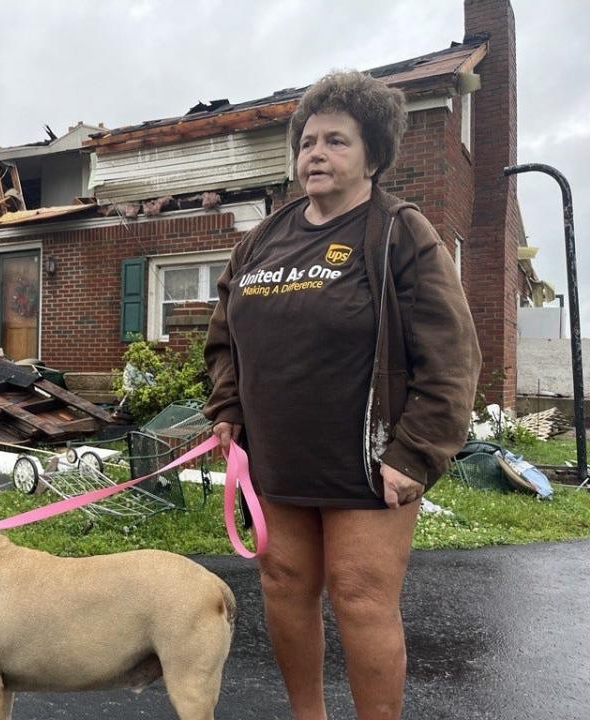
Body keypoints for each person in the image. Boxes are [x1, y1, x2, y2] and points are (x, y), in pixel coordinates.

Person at [203, 70, 481, 720]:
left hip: (367, 460)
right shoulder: (262, 242)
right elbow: (225, 338)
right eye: (308, 142)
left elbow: (451, 353)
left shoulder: (398, 233)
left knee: (360, 596)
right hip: (277, 461)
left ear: (374, 156)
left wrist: (416, 454)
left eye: (336, 141)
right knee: (284, 585)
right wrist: (226, 411)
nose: (316, 154)